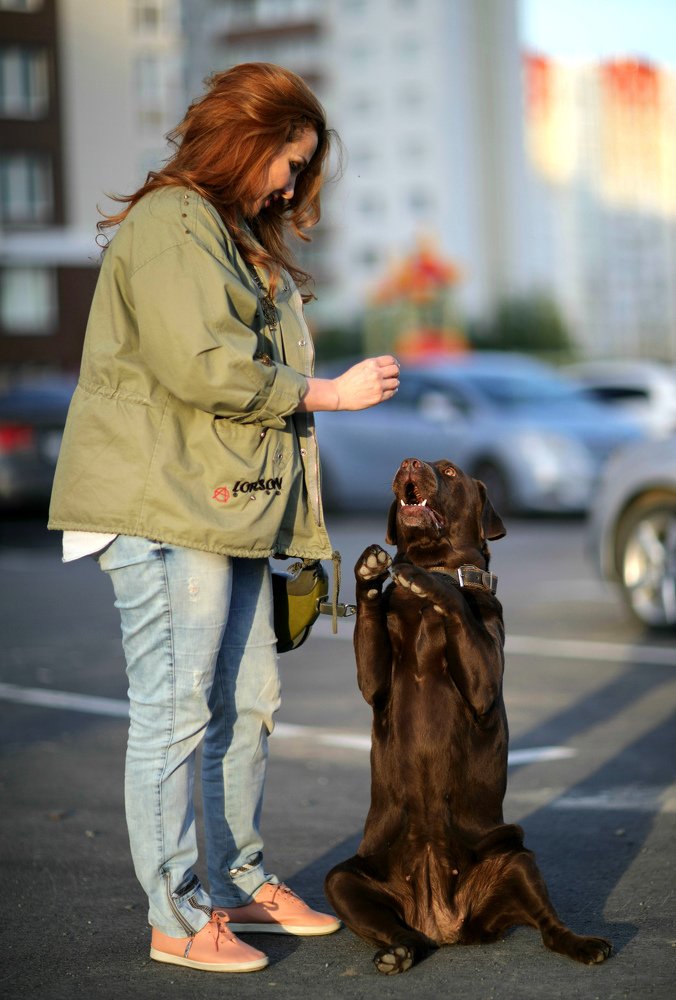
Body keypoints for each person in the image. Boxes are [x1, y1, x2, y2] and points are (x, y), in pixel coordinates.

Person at [48, 62, 399, 974]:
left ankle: (237, 882)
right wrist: (330, 392)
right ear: (248, 140)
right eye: (290, 160)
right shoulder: (172, 225)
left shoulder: (230, 233)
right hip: (160, 505)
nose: (291, 182)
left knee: (246, 704)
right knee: (173, 714)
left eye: (302, 166)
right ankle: (175, 914)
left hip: (222, 508)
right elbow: (204, 365)